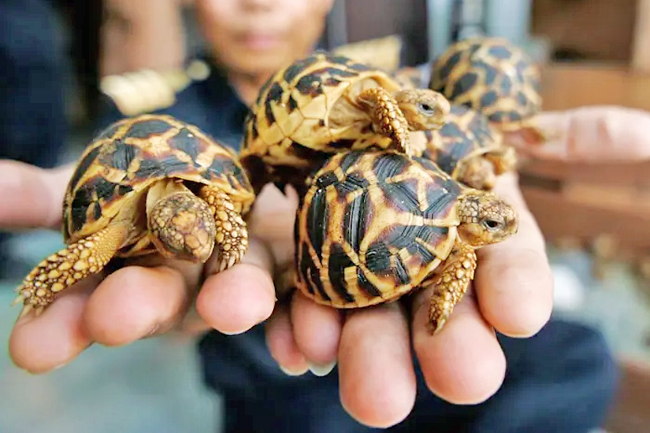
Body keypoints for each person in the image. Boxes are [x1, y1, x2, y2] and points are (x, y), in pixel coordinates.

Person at [5, 0, 621, 431]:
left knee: (579, 358)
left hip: (390, 319)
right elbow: (214, 205)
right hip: (273, 377)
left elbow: (424, 115)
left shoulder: (375, 81)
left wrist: (478, 140)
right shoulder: (181, 116)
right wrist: (194, 266)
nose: (260, 5)